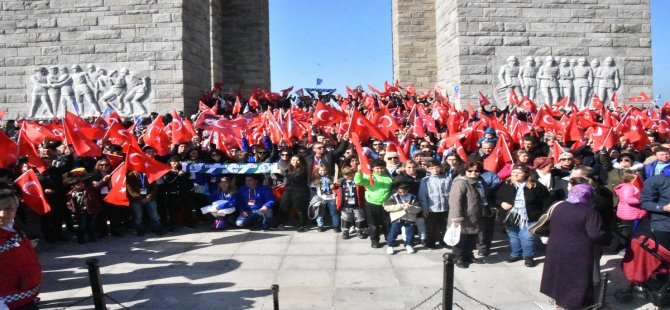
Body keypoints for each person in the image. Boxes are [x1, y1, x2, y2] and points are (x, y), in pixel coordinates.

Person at [540, 183, 609, 310]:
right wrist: (609, 240)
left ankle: (559, 302)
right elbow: (595, 235)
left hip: (556, 247)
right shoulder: (589, 212)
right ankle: (572, 305)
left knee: (559, 274)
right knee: (576, 279)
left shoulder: (559, 206)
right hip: (577, 251)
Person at [495, 164, 550, 267]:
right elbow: (495, 198)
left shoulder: (536, 186)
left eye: (519, 173)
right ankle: (516, 254)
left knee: (527, 237)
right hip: (511, 216)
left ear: (526, 174)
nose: (515, 175)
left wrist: (542, 216)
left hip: (530, 217)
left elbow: (546, 201)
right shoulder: (506, 184)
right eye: (513, 172)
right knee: (513, 236)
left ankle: (528, 257)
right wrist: (501, 203)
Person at [0, 189, 41, 310]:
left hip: (25, 296)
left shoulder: (13, 228)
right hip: (9, 303)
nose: (3, 214)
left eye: (9, 209)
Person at [448, 161, 486, 268]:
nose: (473, 173)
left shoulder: (478, 182)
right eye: (470, 171)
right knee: (460, 238)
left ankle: (468, 255)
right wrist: (456, 217)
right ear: (465, 171)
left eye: (476, 171)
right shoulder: (461, 182)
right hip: (463, 217)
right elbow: (455, 201)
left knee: (471, 238)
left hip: (474, 216)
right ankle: (458, 257)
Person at [355, 159, 393, 248]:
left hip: (386, 204)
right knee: (373, 225)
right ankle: (375, 240)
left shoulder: (388, 177)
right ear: (373, 168)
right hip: (372, 205)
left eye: (382, 168)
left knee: (387, 223)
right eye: (377, 168)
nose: (380, 170)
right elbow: (359, 181)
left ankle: (389, 238)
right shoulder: (370, 177)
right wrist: (359, 172)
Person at [418, 158, 453, 249]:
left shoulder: (447, 178)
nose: (435, 170)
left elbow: (451, 193)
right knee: (431, 228)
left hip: (445, 208)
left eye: (437, 168)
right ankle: (430, 243)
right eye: (432, 168)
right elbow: (422, 195)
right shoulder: (425, 180)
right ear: (428, 169)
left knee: (445, 227)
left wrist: (452, 207)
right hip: (432, 208)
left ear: (440, 168)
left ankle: (445, 242)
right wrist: (424, 208)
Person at [384, 183, 421, 255]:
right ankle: (390, 246)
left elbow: (418, 209)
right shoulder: (393, 197)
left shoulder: (413, 197)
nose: (402, 193)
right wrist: (400, 206)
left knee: (410, 233)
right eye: (400, 192)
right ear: (397, 191)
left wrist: (409, 207)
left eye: (404, 192)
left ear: (407, 190)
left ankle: (409, 245)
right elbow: (387, 207)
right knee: (393, 232)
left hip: (409, 218)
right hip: (397, 218)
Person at [640, 165, 670, 250]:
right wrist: (664, 208)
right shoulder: (655, 180)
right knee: (663, 256)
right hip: (664, 225)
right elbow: (644, 202)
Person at [280, 155, 310, 232]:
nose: (295, 162)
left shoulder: (303, 170)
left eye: (297, 160)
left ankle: (303, 225)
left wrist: (284, 173)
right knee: (284, 205)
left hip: (299, 191)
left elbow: (296, 178)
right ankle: (281, 222)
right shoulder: (289, 169)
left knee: (299, 208)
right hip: (288, 190)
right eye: (293, 160)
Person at [336, 167, 366, 239]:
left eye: (351, 174)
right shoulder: (341, 182)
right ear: (344, 175)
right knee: (345, 218)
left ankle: (359, 231)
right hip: (345, 205)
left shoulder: (358, 181)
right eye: (347, 174)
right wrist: (332, 186)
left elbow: (365, 187)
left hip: (357, 204)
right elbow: (334, 188)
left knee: (359, 218)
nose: (349, 176)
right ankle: (345, 232)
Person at [313, 164, 340, 232]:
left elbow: (336, 184)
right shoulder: (316, 179)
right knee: (320, 213)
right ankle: (320, 225)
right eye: (321, 170)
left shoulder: (331, 177)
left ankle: (336, 226)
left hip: (331, 198)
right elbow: (315, 186)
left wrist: (333, 185)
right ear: (318, 171)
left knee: (333, 212)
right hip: (321, 198)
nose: (323, 171)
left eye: (325, 170)